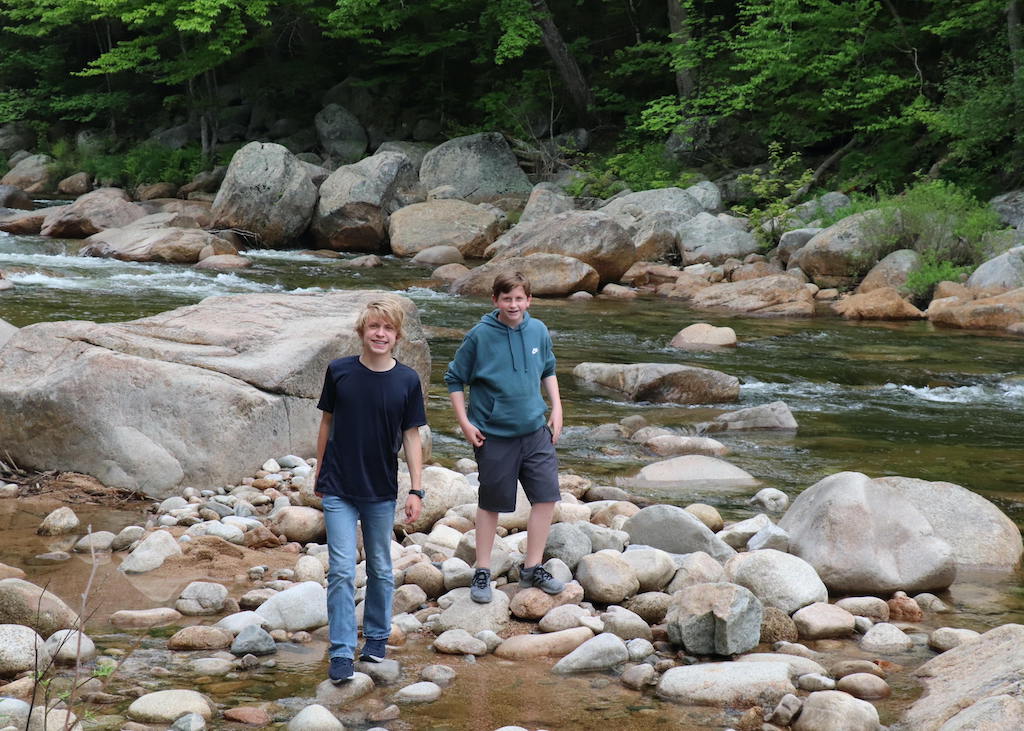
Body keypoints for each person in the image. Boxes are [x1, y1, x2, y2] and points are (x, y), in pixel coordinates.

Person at [314, 297, 426, 684]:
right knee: (342, 571)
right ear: (362, 331)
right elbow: (327, 424)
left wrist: (416, 489)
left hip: (380, 488)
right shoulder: (339, 371)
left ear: (397, 336)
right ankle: (342, 651)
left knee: (380, 567)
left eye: (388, 328)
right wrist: (319, 470)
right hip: (339, 486)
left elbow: (412, 436)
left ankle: (376, 636)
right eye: (374, 327)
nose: (381, 334)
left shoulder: (407, 380)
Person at [444, 271, 565, 603]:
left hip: (536, 430)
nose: (514, 304)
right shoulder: (480, 336)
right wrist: (466, 423)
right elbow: (454, 379)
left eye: (520, 298)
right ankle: (482, 570)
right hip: (493, 434)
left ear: (529, 300)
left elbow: (548, 369)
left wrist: (556, 408)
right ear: (495, 300)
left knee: (546, 498)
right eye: (507, 298)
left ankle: (532, 567)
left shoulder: (538, 330)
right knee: (491, 502)